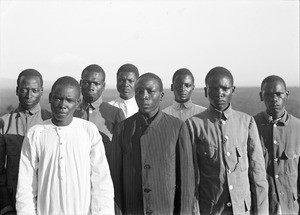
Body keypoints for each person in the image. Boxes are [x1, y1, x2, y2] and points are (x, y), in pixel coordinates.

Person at [16, 76, 114, 215]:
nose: (63, 104)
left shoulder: (88, 131)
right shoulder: (36, 133)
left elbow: (101, 182)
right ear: (50, 98)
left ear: (78, 102)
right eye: (58, 98)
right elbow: (26, 186)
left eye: (69, 100)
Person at [186, 66, 268, 215]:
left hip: (242, 210)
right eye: (214, 88)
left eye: (225, 88)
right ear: (206, 91)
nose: (220, 93)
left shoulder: (246, 122)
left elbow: (258, 174)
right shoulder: (193, 125)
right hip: (211, 210)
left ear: (233, 90)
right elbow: (191, 179)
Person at [110, 72, 195, 214]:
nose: (144, 96)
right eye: (139, 91)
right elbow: (115, 181)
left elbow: (186, 182)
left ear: (161, 95)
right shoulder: (122, 129)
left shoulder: (177, 127)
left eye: (150, 91)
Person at [0, 69, 51, 215]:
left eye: (34, 90)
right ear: (17, 90)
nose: (29, 95)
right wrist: (5, 207)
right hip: (13, 203)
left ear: (41, 91)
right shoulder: (4, 124)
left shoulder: (51, 122)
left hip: (46, 204)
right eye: (24, 90)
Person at [254, 75, 300, 215]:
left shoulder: (298, 127)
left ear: (286, 95)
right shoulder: (251, 125)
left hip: (291, 206)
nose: (274, 99)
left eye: (279, 94)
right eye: (268, 94)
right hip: (261, 205)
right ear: (261, 96)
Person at [73, 64, 125, 160]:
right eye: (87, 82)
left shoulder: (115, 113)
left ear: (103, 86)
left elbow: (123, 151)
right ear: (80, 83)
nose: (91, 87)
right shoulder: (71, 113)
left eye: (96, 84)